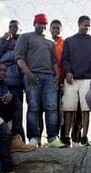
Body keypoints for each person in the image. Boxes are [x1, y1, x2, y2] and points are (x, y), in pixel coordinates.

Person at [15, 14, 64, 148]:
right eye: (39, 23)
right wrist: (28, 73)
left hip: (49, 77)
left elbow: (54, 60)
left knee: (52, 107)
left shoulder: (50, 42)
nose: (42, 26)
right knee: (33, 107)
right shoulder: (25, 37)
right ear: (34, 24)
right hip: (32, 75)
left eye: (44, 24)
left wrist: (57, 74)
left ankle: (53, 138)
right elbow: (19, 58)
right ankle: (34, 138)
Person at [61, 15, 91, 147]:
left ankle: (84, 136)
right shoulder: (69, 41)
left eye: (89, 25)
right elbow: (64, 59)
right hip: (71, 79)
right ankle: (67, 136)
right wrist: (67, 71)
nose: (87, 27)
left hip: (88, 78)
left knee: (86, 108)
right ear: (79, 24)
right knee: (69, 108)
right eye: (85, 25)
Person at [0, 20, 24, 102]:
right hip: (3, 79)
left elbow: (20, 55)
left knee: (16, 105)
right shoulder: (3, 40)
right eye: (10, 27)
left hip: (16, 78)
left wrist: (3, 58)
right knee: (1, 104)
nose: (12, 29)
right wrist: (3, 39)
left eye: (15, 27)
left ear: (20, 30)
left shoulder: (23, 41)